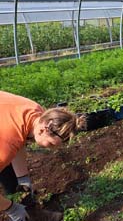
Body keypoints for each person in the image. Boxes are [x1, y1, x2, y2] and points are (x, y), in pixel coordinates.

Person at [0, 90, 86, 221]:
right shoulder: (7, 143)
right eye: (51, 144)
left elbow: (20, 139)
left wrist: (23, 177)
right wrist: (11, 209)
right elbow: (13, 140)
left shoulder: (36, 112)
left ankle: (33, 214)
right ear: (43, 130)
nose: (52, 149)